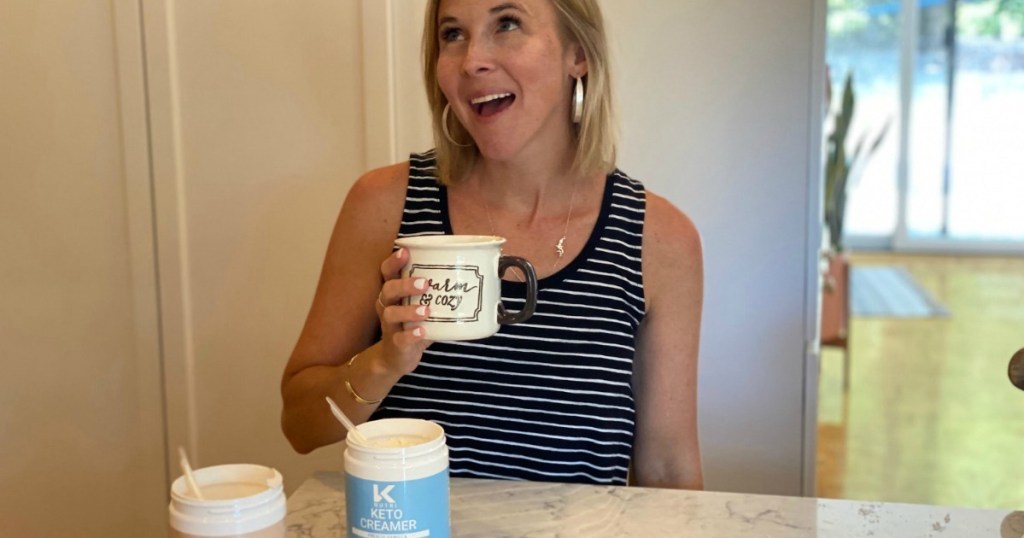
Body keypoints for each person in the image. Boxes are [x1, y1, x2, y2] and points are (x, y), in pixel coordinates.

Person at [281, 0, 703, 489]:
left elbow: (669, 470)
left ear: (578, 55)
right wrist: (382, 363)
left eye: (507, 24)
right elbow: (300, 426)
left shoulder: (660, 241)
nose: (472, 60)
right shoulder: (384, 206)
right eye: (453, 34)